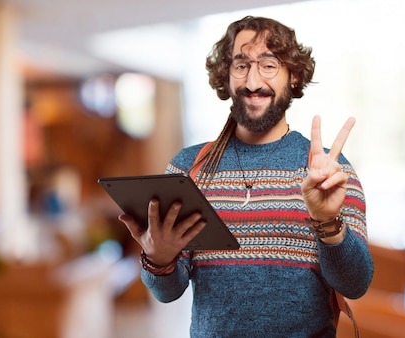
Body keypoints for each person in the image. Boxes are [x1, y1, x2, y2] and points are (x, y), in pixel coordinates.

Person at [118, 16, 374, 337]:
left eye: (268, 65)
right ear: (226, 77)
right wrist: (158, 258)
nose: (253, 81)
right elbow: (167, 293)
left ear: (293, 77)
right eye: (241, 66)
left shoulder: (330, 173)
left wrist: (328, 222)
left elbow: (355, 284)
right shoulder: (188, 168)